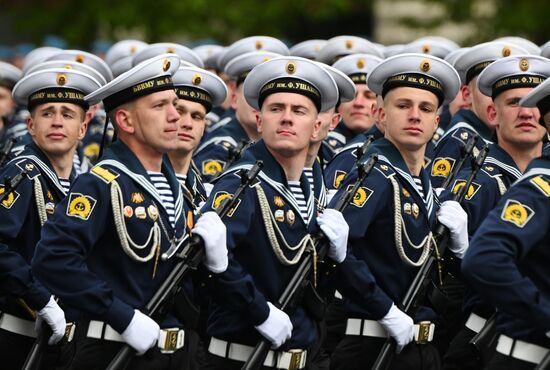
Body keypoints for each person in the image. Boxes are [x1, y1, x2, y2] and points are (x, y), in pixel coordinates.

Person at [31, 54, 228, 370]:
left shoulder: (176, 187)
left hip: (180, 354)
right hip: (116, 352)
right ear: (125, 121)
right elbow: (53, 260)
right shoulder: (101, 183)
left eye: (174, 105)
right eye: (159, 107)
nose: (175, 116)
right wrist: (120, 315)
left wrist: (216, 265)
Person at [201, 56, 348, 370]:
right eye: (276, 109)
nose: (287, 119)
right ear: (258, 120)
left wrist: (340, 256)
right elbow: (214, 266)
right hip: (242, 358)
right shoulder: (241, 183)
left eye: (299, 111)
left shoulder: (310, 189)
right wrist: (260, 311)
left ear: (316, 125)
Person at [329, 53, 466, 369]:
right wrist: (383, 308)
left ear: (437, 122)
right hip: (374, 346)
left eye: (426, 108)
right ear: (380, 114)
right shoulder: (375, 175)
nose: (415, 116)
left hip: (418, 348)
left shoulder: (423, 181)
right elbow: (337, 252)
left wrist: (461, 249)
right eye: (403, 106)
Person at [440, 54, 550, 369]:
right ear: (492, 113)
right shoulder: (474, 182)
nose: (528, 113)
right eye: (515, 102)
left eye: (536, 105)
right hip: (484, 338)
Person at [0, 65, 102, 369]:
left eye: (68, 114)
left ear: (83, 128)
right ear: (31, 125)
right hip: (20, 338)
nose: (57, 121)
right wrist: (40, 299)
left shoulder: (88, 183)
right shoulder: (21, 174)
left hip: (71, 340)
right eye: (47, 113)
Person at [429, 41, 529, 187]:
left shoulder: (493, 135)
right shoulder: (459, 141)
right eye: (490, 91)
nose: (497, 99)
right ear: (467, 94)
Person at [193, 50, 284, 185]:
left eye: (267, 98)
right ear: (234, 98)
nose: (258, 104)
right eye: (251, 96)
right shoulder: (219, 149)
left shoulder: (278, 145)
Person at [167, 65, 228, 210]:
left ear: (203, 128)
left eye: (196, 117)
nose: (187, 124)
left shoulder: (203, 191)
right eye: (179, 112)